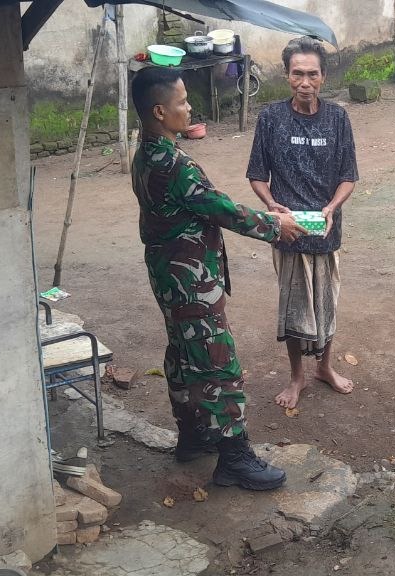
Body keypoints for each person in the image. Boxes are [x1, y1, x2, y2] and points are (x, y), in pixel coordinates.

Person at [130, 66, 306, 491]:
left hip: (168, 274)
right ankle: (234, 457)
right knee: (216, 359)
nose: (189, 108)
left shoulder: (146, 152)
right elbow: (218, 208)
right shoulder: (171, 162)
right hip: (190, 278)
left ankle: (193, 436)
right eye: (182, 102)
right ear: (160, 111)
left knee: (184, 353)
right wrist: (273, 225)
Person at [246, 37, 359, 410]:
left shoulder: (337, 118)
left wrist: (331, 208)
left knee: (327, 304)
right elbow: (257, 175)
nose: (305, 82)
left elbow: (348, 176)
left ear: (323, 78)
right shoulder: (271, 118)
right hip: (289, 230)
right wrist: (272, 205)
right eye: (298, 74)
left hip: (326, 231)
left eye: (312, 74)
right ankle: (297, 376)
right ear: (287, 75)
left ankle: (324, 367)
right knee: (293, 306)